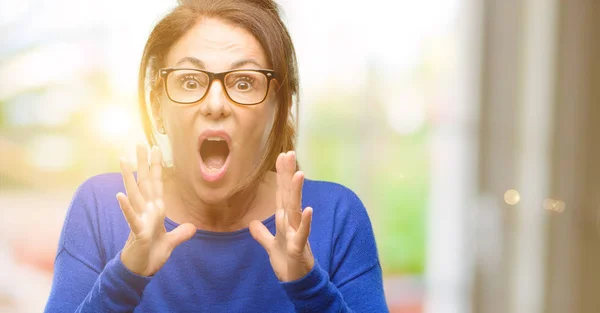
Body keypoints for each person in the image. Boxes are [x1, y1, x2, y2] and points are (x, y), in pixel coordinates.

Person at [44, 0, 388, 311]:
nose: (215, 104)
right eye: (190, 82)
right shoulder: (102, 208)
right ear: (157, 107)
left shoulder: (335, 215)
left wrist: (308, 287)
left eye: (243, 83)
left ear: (279, 108)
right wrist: (126, 275)